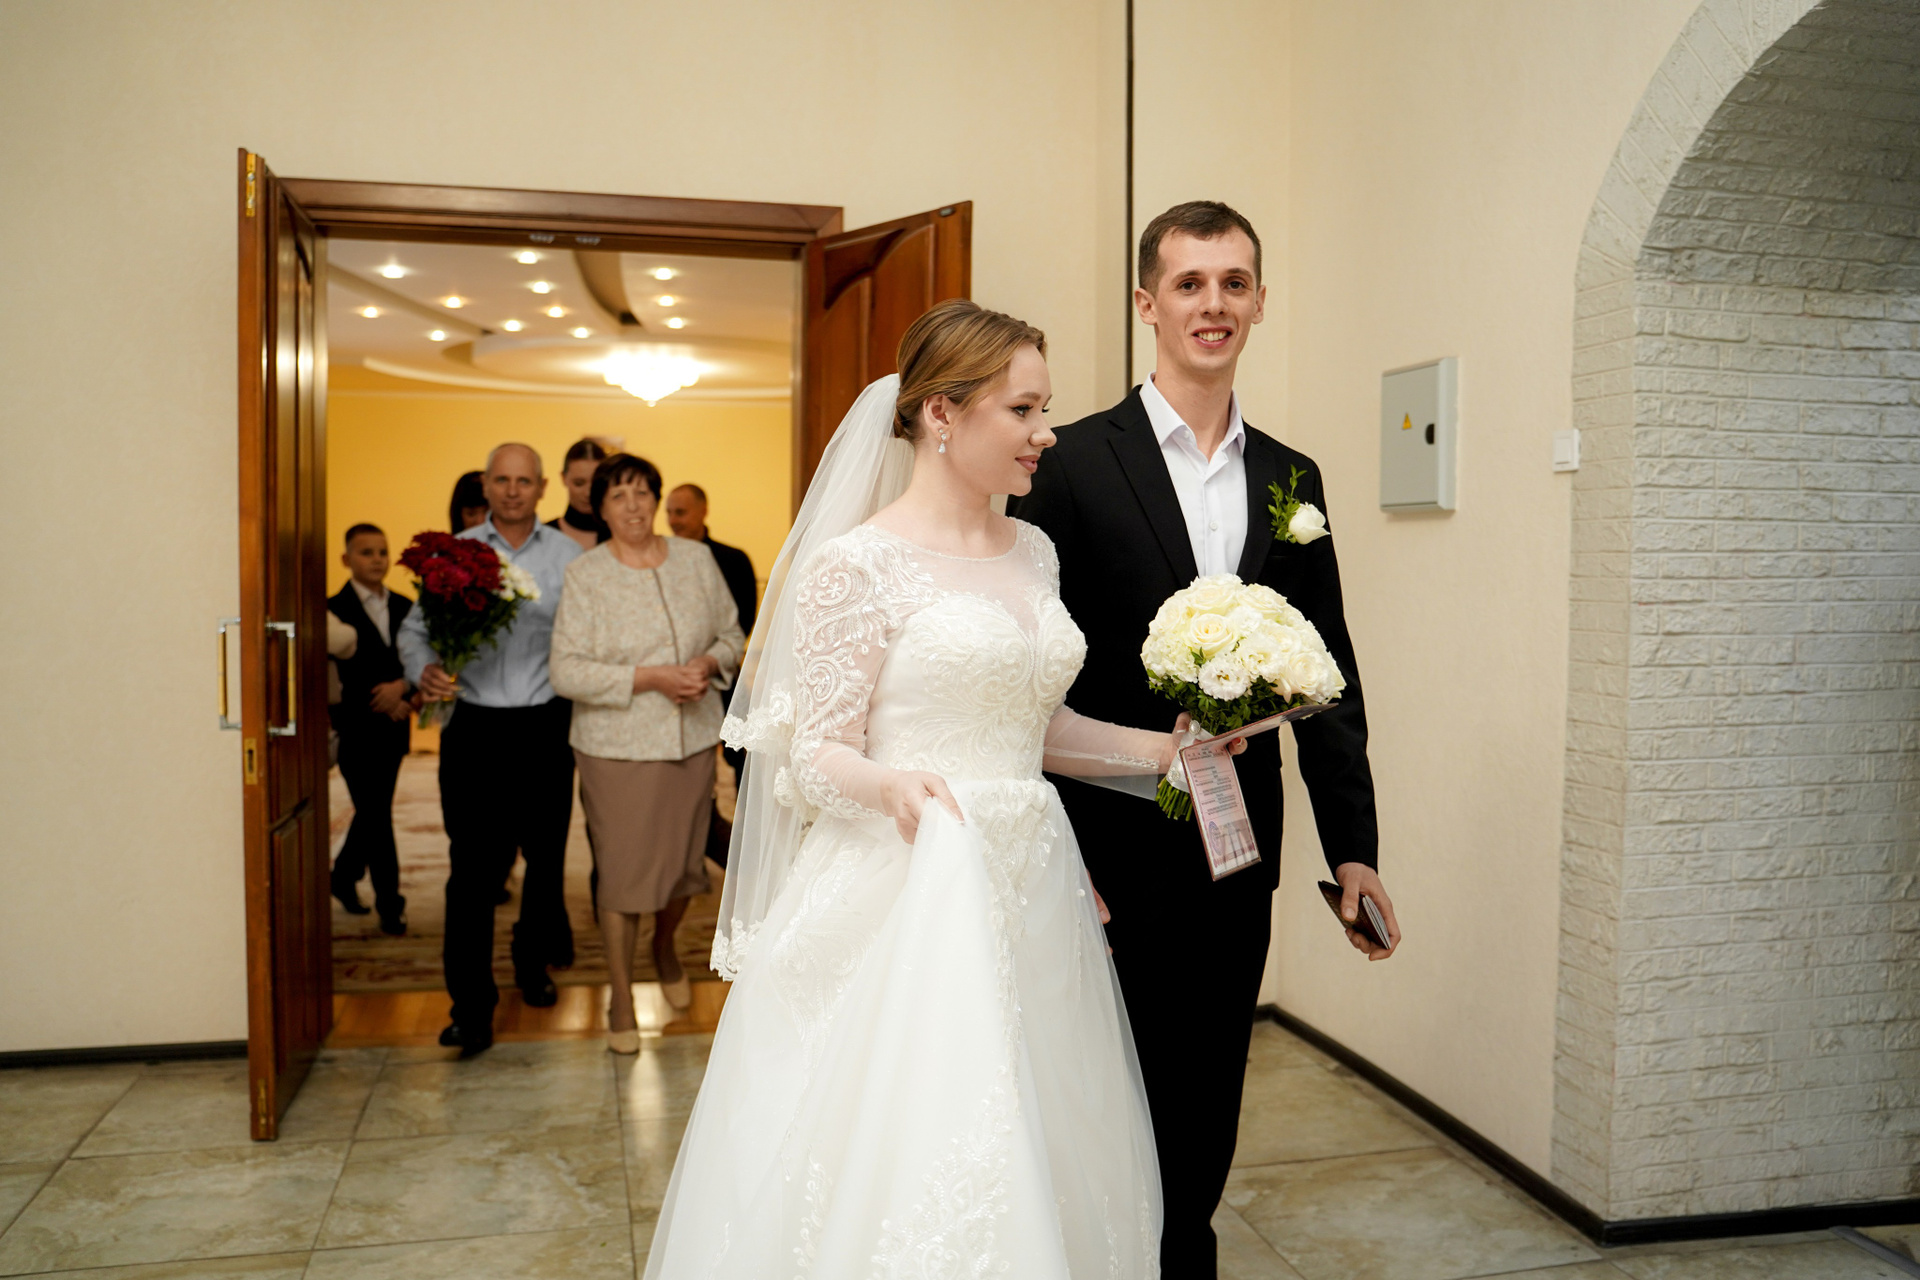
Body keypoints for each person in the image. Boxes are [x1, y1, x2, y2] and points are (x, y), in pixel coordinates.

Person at [642, 301, 1235, 1277]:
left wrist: (1166, 752)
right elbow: (814, 753)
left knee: (1035, 1126)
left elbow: (1038, 729)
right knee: (916, 1137)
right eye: (1024, 409)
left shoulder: (1033, 551)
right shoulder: (855, 564)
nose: (1046, 433)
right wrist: (893, 787)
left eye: (1046, 409)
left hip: (1030, 882)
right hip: (905, 886)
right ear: (942, 414)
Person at [1009, 200, 1401, 1277]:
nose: (1212, 303)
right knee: (1108, 1087)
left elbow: (1329, 677)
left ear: (1260, 301)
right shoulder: (1072, 463)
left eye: (1234, 282)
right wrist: (1058, 854)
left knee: (1209, 1088)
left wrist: (1354, 850)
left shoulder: (1292, 479)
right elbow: (1028, 675)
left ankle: (1186, 1256)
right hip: (1105, 845)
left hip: (1239, 848)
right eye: (1189, 283)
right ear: (1148, 303)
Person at [550, 454, 744, 1047]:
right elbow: (566, 671)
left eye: (641, 492)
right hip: (616, 750)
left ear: (656, 500)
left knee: (682, 870)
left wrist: (708, 662)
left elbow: (732, 634)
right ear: (600, 509)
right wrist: (652, 677)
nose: (632, 505)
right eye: (618, 495)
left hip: (691, 741)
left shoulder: (696, 559)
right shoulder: (586, 574)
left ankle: (664, 947)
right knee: (623, 876)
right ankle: (620, 995)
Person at [399, 443, 584, 1055]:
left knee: (545, 863)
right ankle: (471, 1008)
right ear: (485, 484)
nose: (512, 490)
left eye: (523, 481)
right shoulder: (457, 554)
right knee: (472, 872)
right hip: (473, 728)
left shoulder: (568, 557)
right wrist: (425, 668)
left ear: (542, 488)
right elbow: (415, 630)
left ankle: (531, 965)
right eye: (501, 480)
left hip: (546, 727)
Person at [327, 523, 416, 936]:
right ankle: (390, 904)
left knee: (372, 811)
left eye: (382, 552)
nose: (377, 560)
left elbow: (416, 658)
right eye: (366, 552)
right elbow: (336, 672)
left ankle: (343, 875)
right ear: (346, 559)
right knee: (377, 815)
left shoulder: (406, 606)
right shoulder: (331, 610)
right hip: (356, 727)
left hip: (394, 726)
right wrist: (382, 697)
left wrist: (404, 690)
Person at [664, 481, 759, 832]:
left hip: (723, 674)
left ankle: (746, 831)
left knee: (740, 752)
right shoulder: (662, 559)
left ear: (703, 510)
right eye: (669, 513)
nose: (673, 520)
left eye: (681, 512)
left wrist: (709, 658)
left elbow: (744, 618)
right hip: (676, 677)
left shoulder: (732, 559)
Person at [547, 438, 610, 551]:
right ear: (563, 478)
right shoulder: (543, 536)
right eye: (579, 483)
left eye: (595, 483)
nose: (588, 493)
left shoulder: (620, 534)